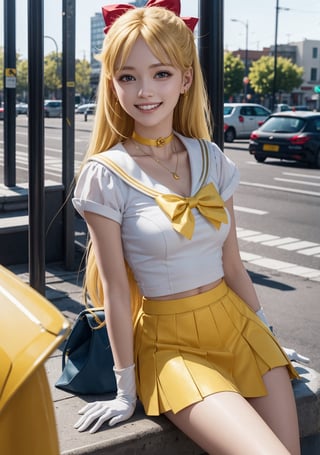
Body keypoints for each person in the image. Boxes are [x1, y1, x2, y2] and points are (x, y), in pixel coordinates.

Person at [72, 1, 302, 453]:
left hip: (238, 326)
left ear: (186, 79)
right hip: (171, 346)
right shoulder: (105, 174)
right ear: (113, 84)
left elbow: (234, 266)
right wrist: (124, 387)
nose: (144, 91)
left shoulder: (211, 158)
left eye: (160, 73)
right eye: (127, 76)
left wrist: (267, 333)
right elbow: (116, 291)